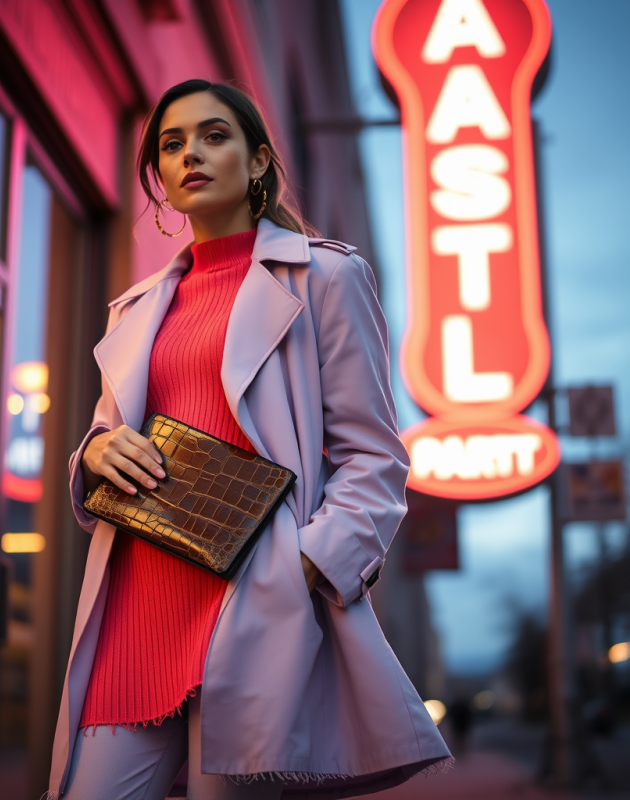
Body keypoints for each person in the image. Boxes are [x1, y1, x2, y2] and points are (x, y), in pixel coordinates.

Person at [47, 79, 451, 800]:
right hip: (137, 606)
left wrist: (304, 566)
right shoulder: (133, 311)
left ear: (258, 161)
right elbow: (114, 436)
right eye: (172, 145)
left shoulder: (326, 276)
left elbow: (375, 456)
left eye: (213, 136)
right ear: (160, 177)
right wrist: (93, 455)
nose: (190, 155)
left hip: (252, 610)